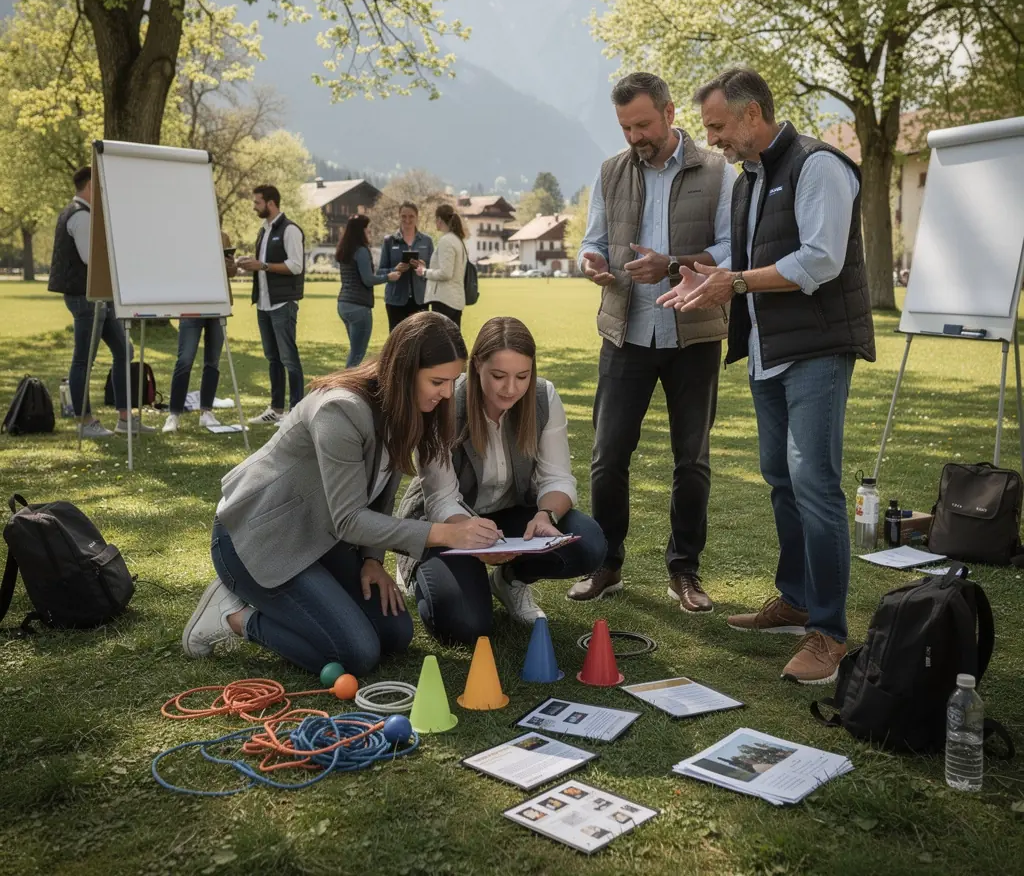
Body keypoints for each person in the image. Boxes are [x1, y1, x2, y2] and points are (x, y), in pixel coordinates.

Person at [659, 66, 875, 684]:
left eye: (719, 127)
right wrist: (691, 269)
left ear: (753, 115)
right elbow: (741, 254)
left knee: (815, 483)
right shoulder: (747, 180)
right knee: (782, 477)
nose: (715, 139)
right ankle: (796, 598)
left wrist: (735, 282)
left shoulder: (819, 166)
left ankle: (828, 633)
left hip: (815, 352)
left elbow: (821, 258)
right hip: (767, 352)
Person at [181, 312, 501, 675]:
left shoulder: (405, 406)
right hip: (257, 540)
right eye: (438, 381)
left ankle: (285, 602)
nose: (447, 394)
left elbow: (380, 492)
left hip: (319, 538)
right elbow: (349, 519)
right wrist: (446, 533)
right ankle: (232, 616)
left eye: (452, 381)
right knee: (357, 654)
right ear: (403, 371)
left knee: (395, 633)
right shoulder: (340, 410)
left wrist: (371, 560)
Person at [569, 72, 733, 613]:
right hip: (626, 331)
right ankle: (606, 564)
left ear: (667, 111)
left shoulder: (716, 169)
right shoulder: (611, 171)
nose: (635, 136)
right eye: (625, 127)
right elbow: (592, 242)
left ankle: (684, 571)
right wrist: (589, 262)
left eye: (642, 124)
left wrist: (676, 266)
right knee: (607, 454)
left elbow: (734, 249)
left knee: (692, 460)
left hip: (694, 333)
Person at [398, 317, 606, 643]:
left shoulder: (543, 397)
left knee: (588, 543)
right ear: (477, 365)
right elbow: (440, 499)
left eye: (522, 376)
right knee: (464, 626)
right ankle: (415, 572)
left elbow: (558, 478)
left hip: (509, 514)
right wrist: (475, 536)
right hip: (445, 523)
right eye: (498, 376)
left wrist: (545, 515)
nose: (511, 389)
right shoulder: (446, 402)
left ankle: (509, 579)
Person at [47, 166, 154, 437]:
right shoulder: (81, 217)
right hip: (85, 298)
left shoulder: (80, 214)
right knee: (83, 360)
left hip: (96, 298)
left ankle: (124, 418)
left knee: (124, 351)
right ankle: (85, 423)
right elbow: (90, 260)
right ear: (90, 186)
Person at [236, 185, 306, 424]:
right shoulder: (263, 230)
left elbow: (296, 266)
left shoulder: (290, 230)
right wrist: (248, 263)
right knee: (272, 358)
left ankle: (295, 411)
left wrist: (262, 265)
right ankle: (276, 409)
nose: (254, 206)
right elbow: (262, 264)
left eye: (257, 202)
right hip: (264, 305)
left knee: (289, 358)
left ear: (271, 203)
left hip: (282, 304)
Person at [163, 232, 238, 432]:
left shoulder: (223, 237)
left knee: (212, 361)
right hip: (192, 305)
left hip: (218, 304)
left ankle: (206, 412)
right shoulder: (186, 237)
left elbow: (232, 272)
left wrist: (230, 264)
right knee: (185, 360)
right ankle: (174, 414)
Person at [336, 214, 388, 368]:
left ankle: (347, 385)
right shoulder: (362, 251)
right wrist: (389, 277)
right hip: (359, 306)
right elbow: (368, 279)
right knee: (357, 356)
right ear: (361, 231)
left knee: (355, 351)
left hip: (344, 304)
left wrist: (390, 272)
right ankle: (344, 387)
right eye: (367, 228)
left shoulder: (345, 250)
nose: (369, 232)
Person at [377, 201, 434, 332]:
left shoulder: (427, 241)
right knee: (397, 339)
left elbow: (433, 271)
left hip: (420, 299)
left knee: (420, 338)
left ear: (417, 217)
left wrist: (424, 267)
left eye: (411, 216)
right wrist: (395, 269)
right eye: (403, 216)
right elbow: (380, 271)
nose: (407, 220)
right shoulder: (389, 241)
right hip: (395, 300)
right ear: (399, 217)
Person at [415, 203, 468, 328]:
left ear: (439, 219)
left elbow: (446, 273)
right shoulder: (458, 240)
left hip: (444, 300)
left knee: (441, 343)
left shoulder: (446, 240)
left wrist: (424, 272)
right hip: (455, 300)